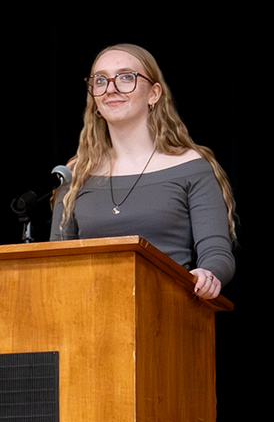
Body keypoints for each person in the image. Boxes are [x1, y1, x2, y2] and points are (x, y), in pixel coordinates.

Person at [51, 44, 236, 300]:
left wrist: (207, 274)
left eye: (127, 77)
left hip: (166, 312)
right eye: (101, 80)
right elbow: (55, 261)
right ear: (93, 97)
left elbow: (217, 253)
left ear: (154, 93)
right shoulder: (74, 173)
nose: (112, 88)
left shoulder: (192, 166)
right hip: (86, 316)